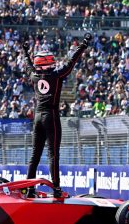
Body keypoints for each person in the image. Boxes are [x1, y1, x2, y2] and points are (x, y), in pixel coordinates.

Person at [22, 33, 92, 198]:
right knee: (53, 154)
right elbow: (71, 62)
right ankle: (56, 189)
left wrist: (25, 52)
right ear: (48, 63)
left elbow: (28, 65)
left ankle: (29, 188)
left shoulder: (34, 75)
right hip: (51, 115)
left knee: (35, 155)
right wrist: (83, 45)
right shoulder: (56, 75)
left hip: (37, 116)